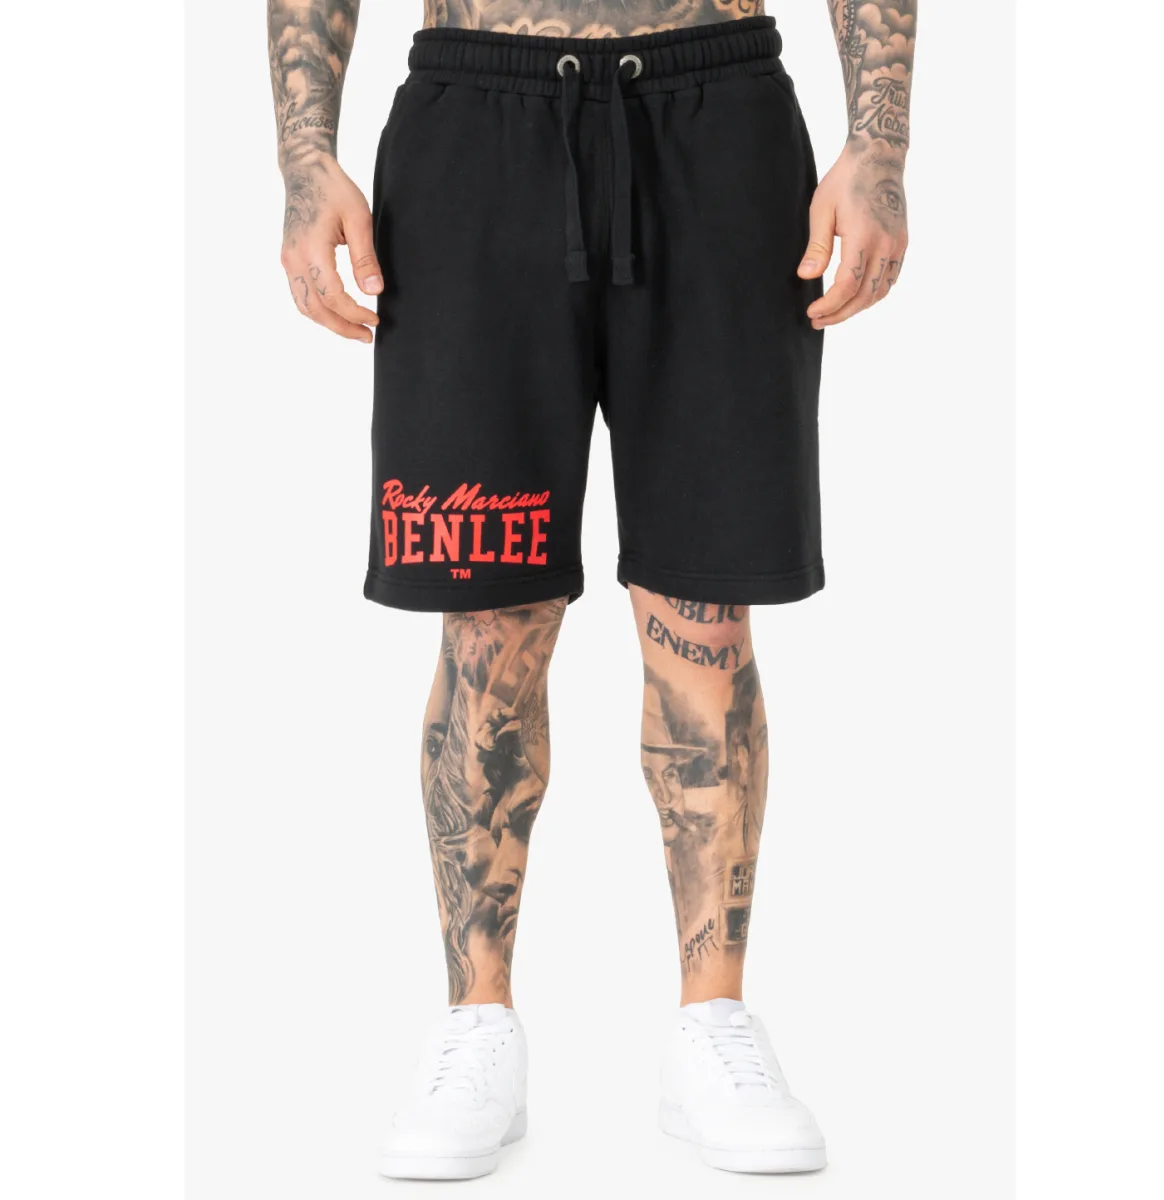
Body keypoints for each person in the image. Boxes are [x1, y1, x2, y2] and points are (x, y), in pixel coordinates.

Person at [267, 0, 915, 1179]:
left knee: (703, 614)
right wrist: (306, 157)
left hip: (718, 120)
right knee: (488, 623)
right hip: (474, 128)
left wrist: (880, 141)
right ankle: (478, 1025)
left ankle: (713, 1024)